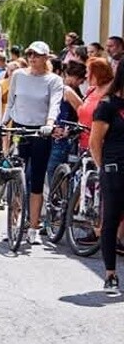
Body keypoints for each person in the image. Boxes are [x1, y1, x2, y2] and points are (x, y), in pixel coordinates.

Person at [3, 41, 64, 245]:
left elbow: (55, 104)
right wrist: (3, 124)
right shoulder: (19, 75)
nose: (32, 58)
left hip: (41, 132)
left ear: (46, 58)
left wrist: (49, 123)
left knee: (36, 180)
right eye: (29, 54)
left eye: (37, 55)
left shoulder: (53, 80)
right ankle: (13, 224)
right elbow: (11, 102)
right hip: (20, 128)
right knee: (15, 176)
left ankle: (33, 227)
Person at [88, 60, 124, 295]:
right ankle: (110, 273)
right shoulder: (108, 105)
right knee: (110, 220)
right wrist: (104, 167)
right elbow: (94, 142)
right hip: (115, 170)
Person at [47, 61, 86, 184]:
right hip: (55, 135)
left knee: (54, 171)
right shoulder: (63, 89)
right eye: (80, 79)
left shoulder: (67, 90)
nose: (81, 83)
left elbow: (83, 112)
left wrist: (70, 130)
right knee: (55, 172)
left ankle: (56, 201)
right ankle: (57, 200)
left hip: (61, 138)